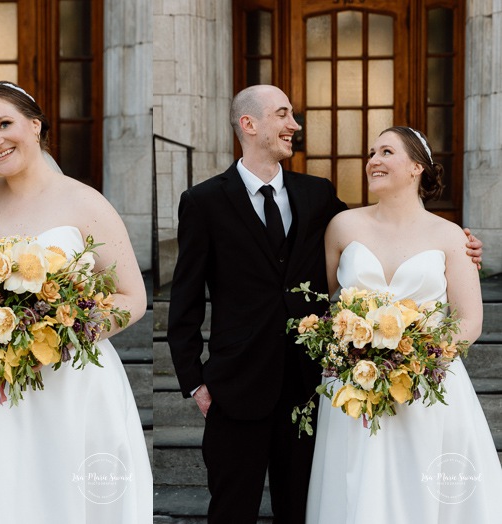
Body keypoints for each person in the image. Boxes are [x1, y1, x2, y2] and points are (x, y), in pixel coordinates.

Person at [166, 85, 483, 523]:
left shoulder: (319, 197)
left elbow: (376, 240)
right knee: (230, 509)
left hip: (310, 387)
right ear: (249, 124)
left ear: (416, 168)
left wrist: (462, 249)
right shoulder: (203, 202)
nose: (295, 125)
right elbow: (183, 301)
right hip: (236, 384)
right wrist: (194, 382)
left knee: (301, 508)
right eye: (284, 115)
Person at [0, 81, 153, 523]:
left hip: (69, 381)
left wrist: (58, 335)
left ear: (35, 126)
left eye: (4, 124)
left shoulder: (85, 202)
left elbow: (134, 297)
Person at [306, 126, 502, 523]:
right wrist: (353, 351)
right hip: (353, 384)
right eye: (372, 152)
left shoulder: (451, 236)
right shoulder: (342, 227)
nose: (373, 160)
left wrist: (416, 361)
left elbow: (470, 321)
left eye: (386, 152)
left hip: (427, 383)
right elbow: (330, 305)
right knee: (354, 483)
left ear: (416, 167)